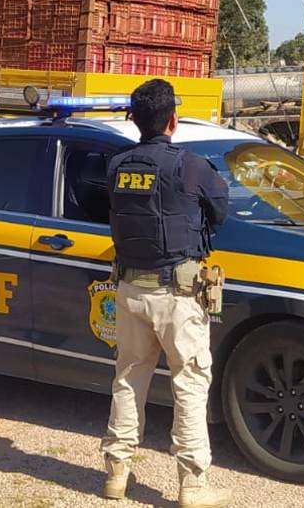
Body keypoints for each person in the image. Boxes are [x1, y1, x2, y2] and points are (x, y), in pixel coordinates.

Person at [100, 79, 231, 507]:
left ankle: (116, 475)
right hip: (178, 295)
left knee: (128, 379)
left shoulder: (118, 165)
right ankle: (192, 485)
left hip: (130, 288)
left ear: (135, 120)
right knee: (190, 384)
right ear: (173, 119)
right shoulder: (191, 165)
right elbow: (221, 211)